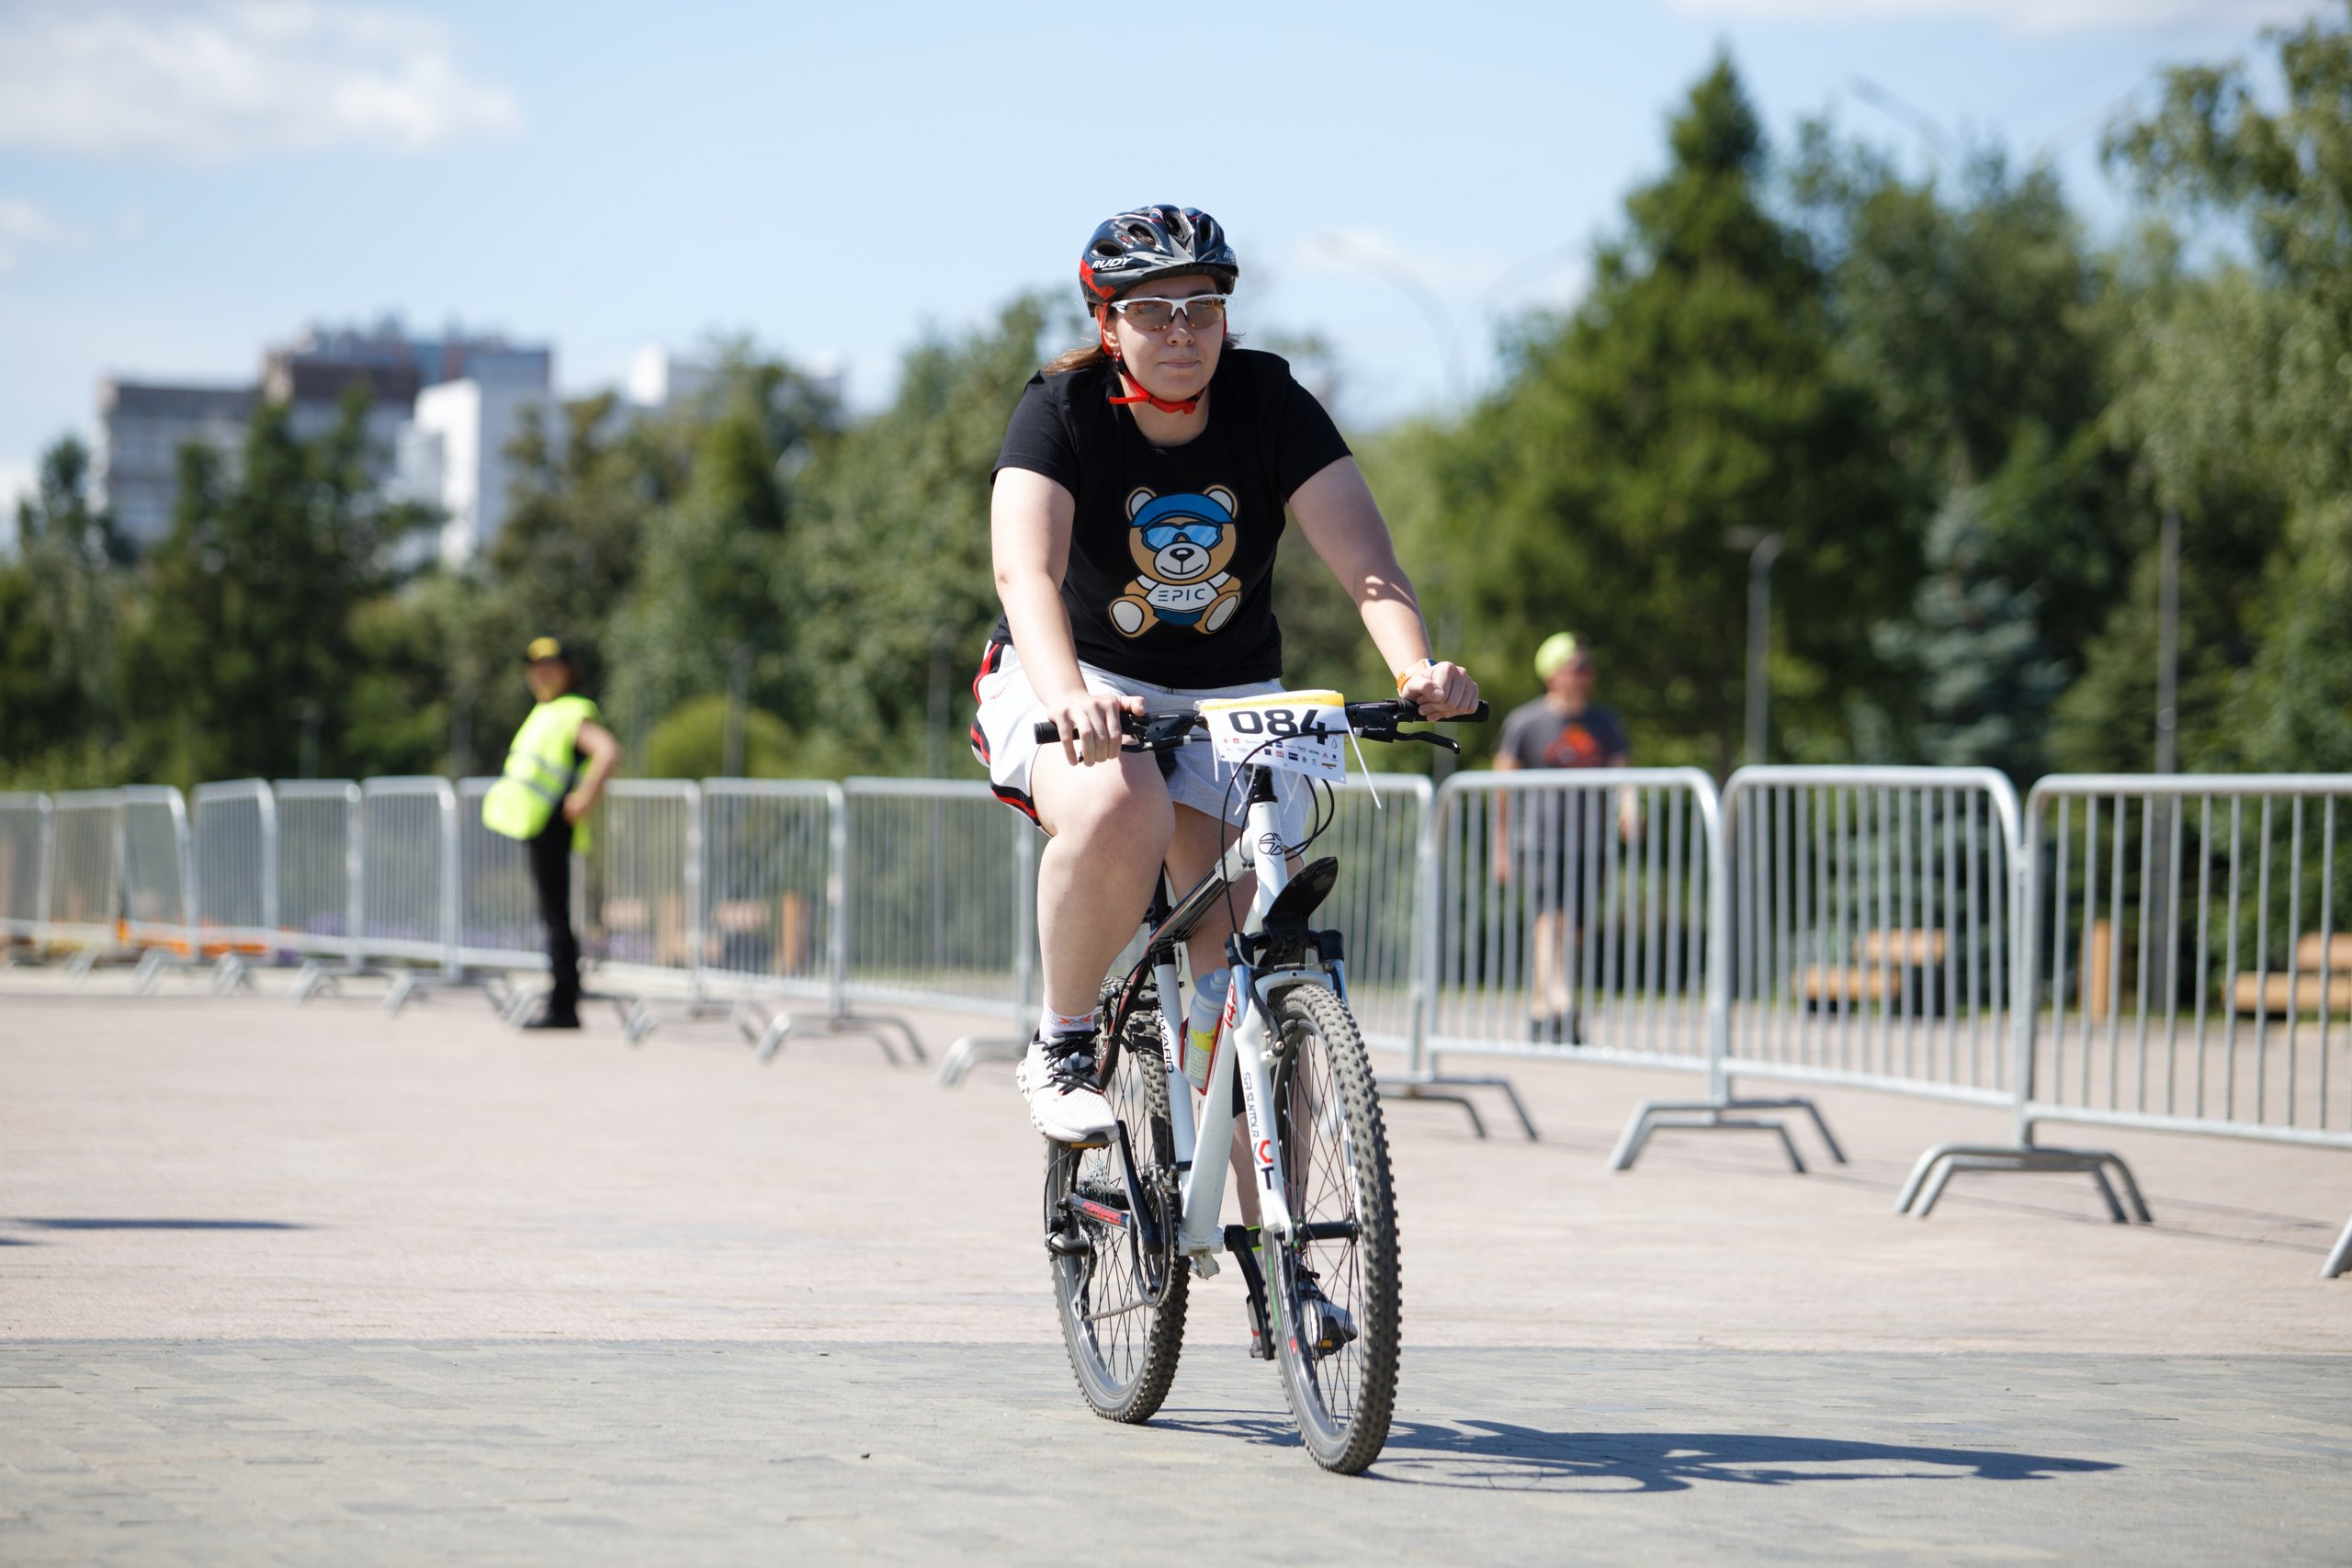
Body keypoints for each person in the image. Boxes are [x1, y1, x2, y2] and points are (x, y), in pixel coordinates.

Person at [973, 203, 1480, 1146]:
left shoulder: (1268, 402)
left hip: (1229, 698)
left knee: (1242, 961)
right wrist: (1069, 695)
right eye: (1152, 309)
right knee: (1123, 807)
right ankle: (1064, 1041)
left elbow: (1368, 566)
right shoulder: (1059, 409)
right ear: (1106, 322)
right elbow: (1023, 574)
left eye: (1201, 307)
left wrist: (1415, 667)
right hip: (1073, 671)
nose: (1180, 331)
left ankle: (1287, 1275)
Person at [1492, 632, 1632, 1043]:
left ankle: (1541, 1012)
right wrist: (1500, 847)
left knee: (1573, 928)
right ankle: (1562, 1005)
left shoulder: (1604, 722)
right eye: (1577, 667)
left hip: (1588, 843)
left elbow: (1624, 773)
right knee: (1549, 920)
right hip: (1538, 841)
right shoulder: (1526, 722)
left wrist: (1629, 809)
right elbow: (1500, 787)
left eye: (1588, 667)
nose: (1586, 675)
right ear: (1553, 675)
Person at [480, 637, 621, 1030]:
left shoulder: (570, 711)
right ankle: (562, 1001)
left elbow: (607, 751)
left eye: (551, 666)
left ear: (569, 672)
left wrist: (584, 798)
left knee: (557, 918)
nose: (540, 673)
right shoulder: (545, 711)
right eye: (535, 667)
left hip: (553, 823)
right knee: (552, 916)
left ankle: (564, 1006)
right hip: (536, 825)